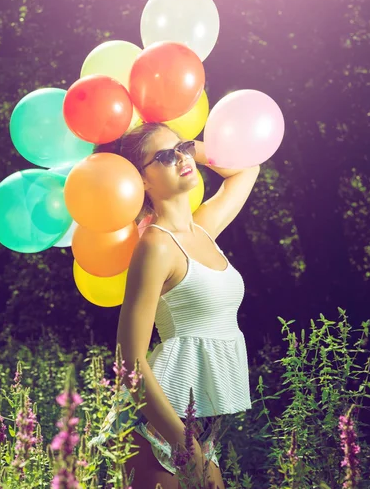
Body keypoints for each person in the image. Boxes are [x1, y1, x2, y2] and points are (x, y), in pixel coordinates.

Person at [89, 121, 260, 489]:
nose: (182, 158)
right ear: (142, 182)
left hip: (198, 422)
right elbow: (128, 360)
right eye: (166, 157)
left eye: (182, 148)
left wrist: (187, 148)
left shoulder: (202, 231)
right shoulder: (155, 246)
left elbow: (248, 167)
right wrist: (185, 444)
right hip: (159, 421)